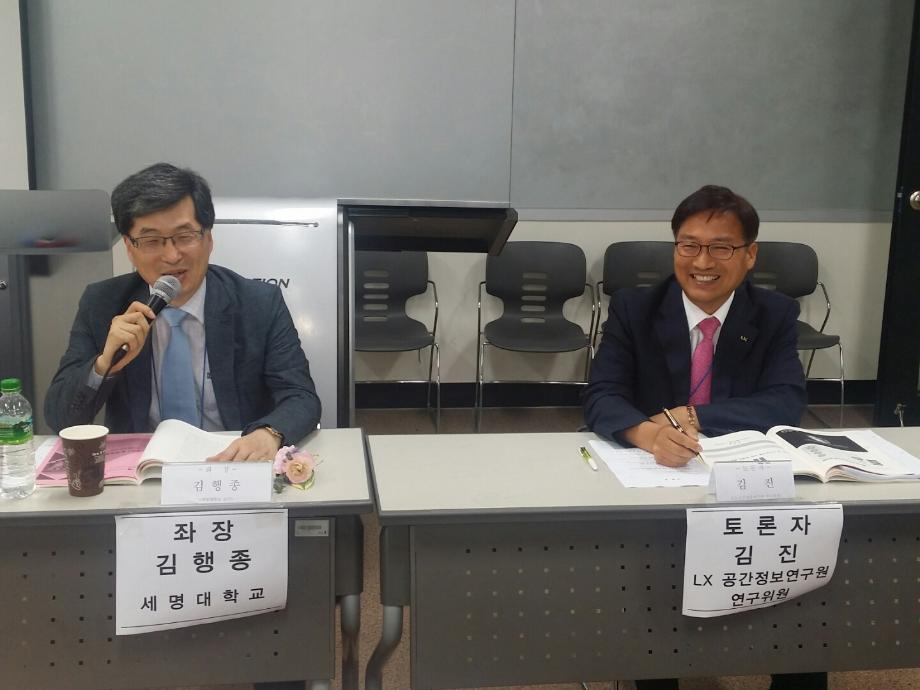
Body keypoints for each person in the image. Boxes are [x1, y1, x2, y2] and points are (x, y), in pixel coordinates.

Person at [584, 185, 823, 690]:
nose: (702, 262)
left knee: (798, 584)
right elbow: (602, 395)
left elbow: (785, 400)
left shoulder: (774, 313)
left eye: (721, 247)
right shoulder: (634, 308)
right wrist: (648, 433)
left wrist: (692, 415)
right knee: (650, 590)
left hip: (744, 480)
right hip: (655, 480)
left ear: (750, 255)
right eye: (688, 245)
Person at [45, 163, 321, 461]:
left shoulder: (259, 303)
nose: (172, 255)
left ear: (208, 239)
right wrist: (104, 366)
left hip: (231, 463)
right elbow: (60, 418)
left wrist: (269, 433)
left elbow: (301, 397)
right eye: (151, 241)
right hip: (142, 470)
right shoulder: (102, 303)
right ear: (129, 248)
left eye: (185, 236)